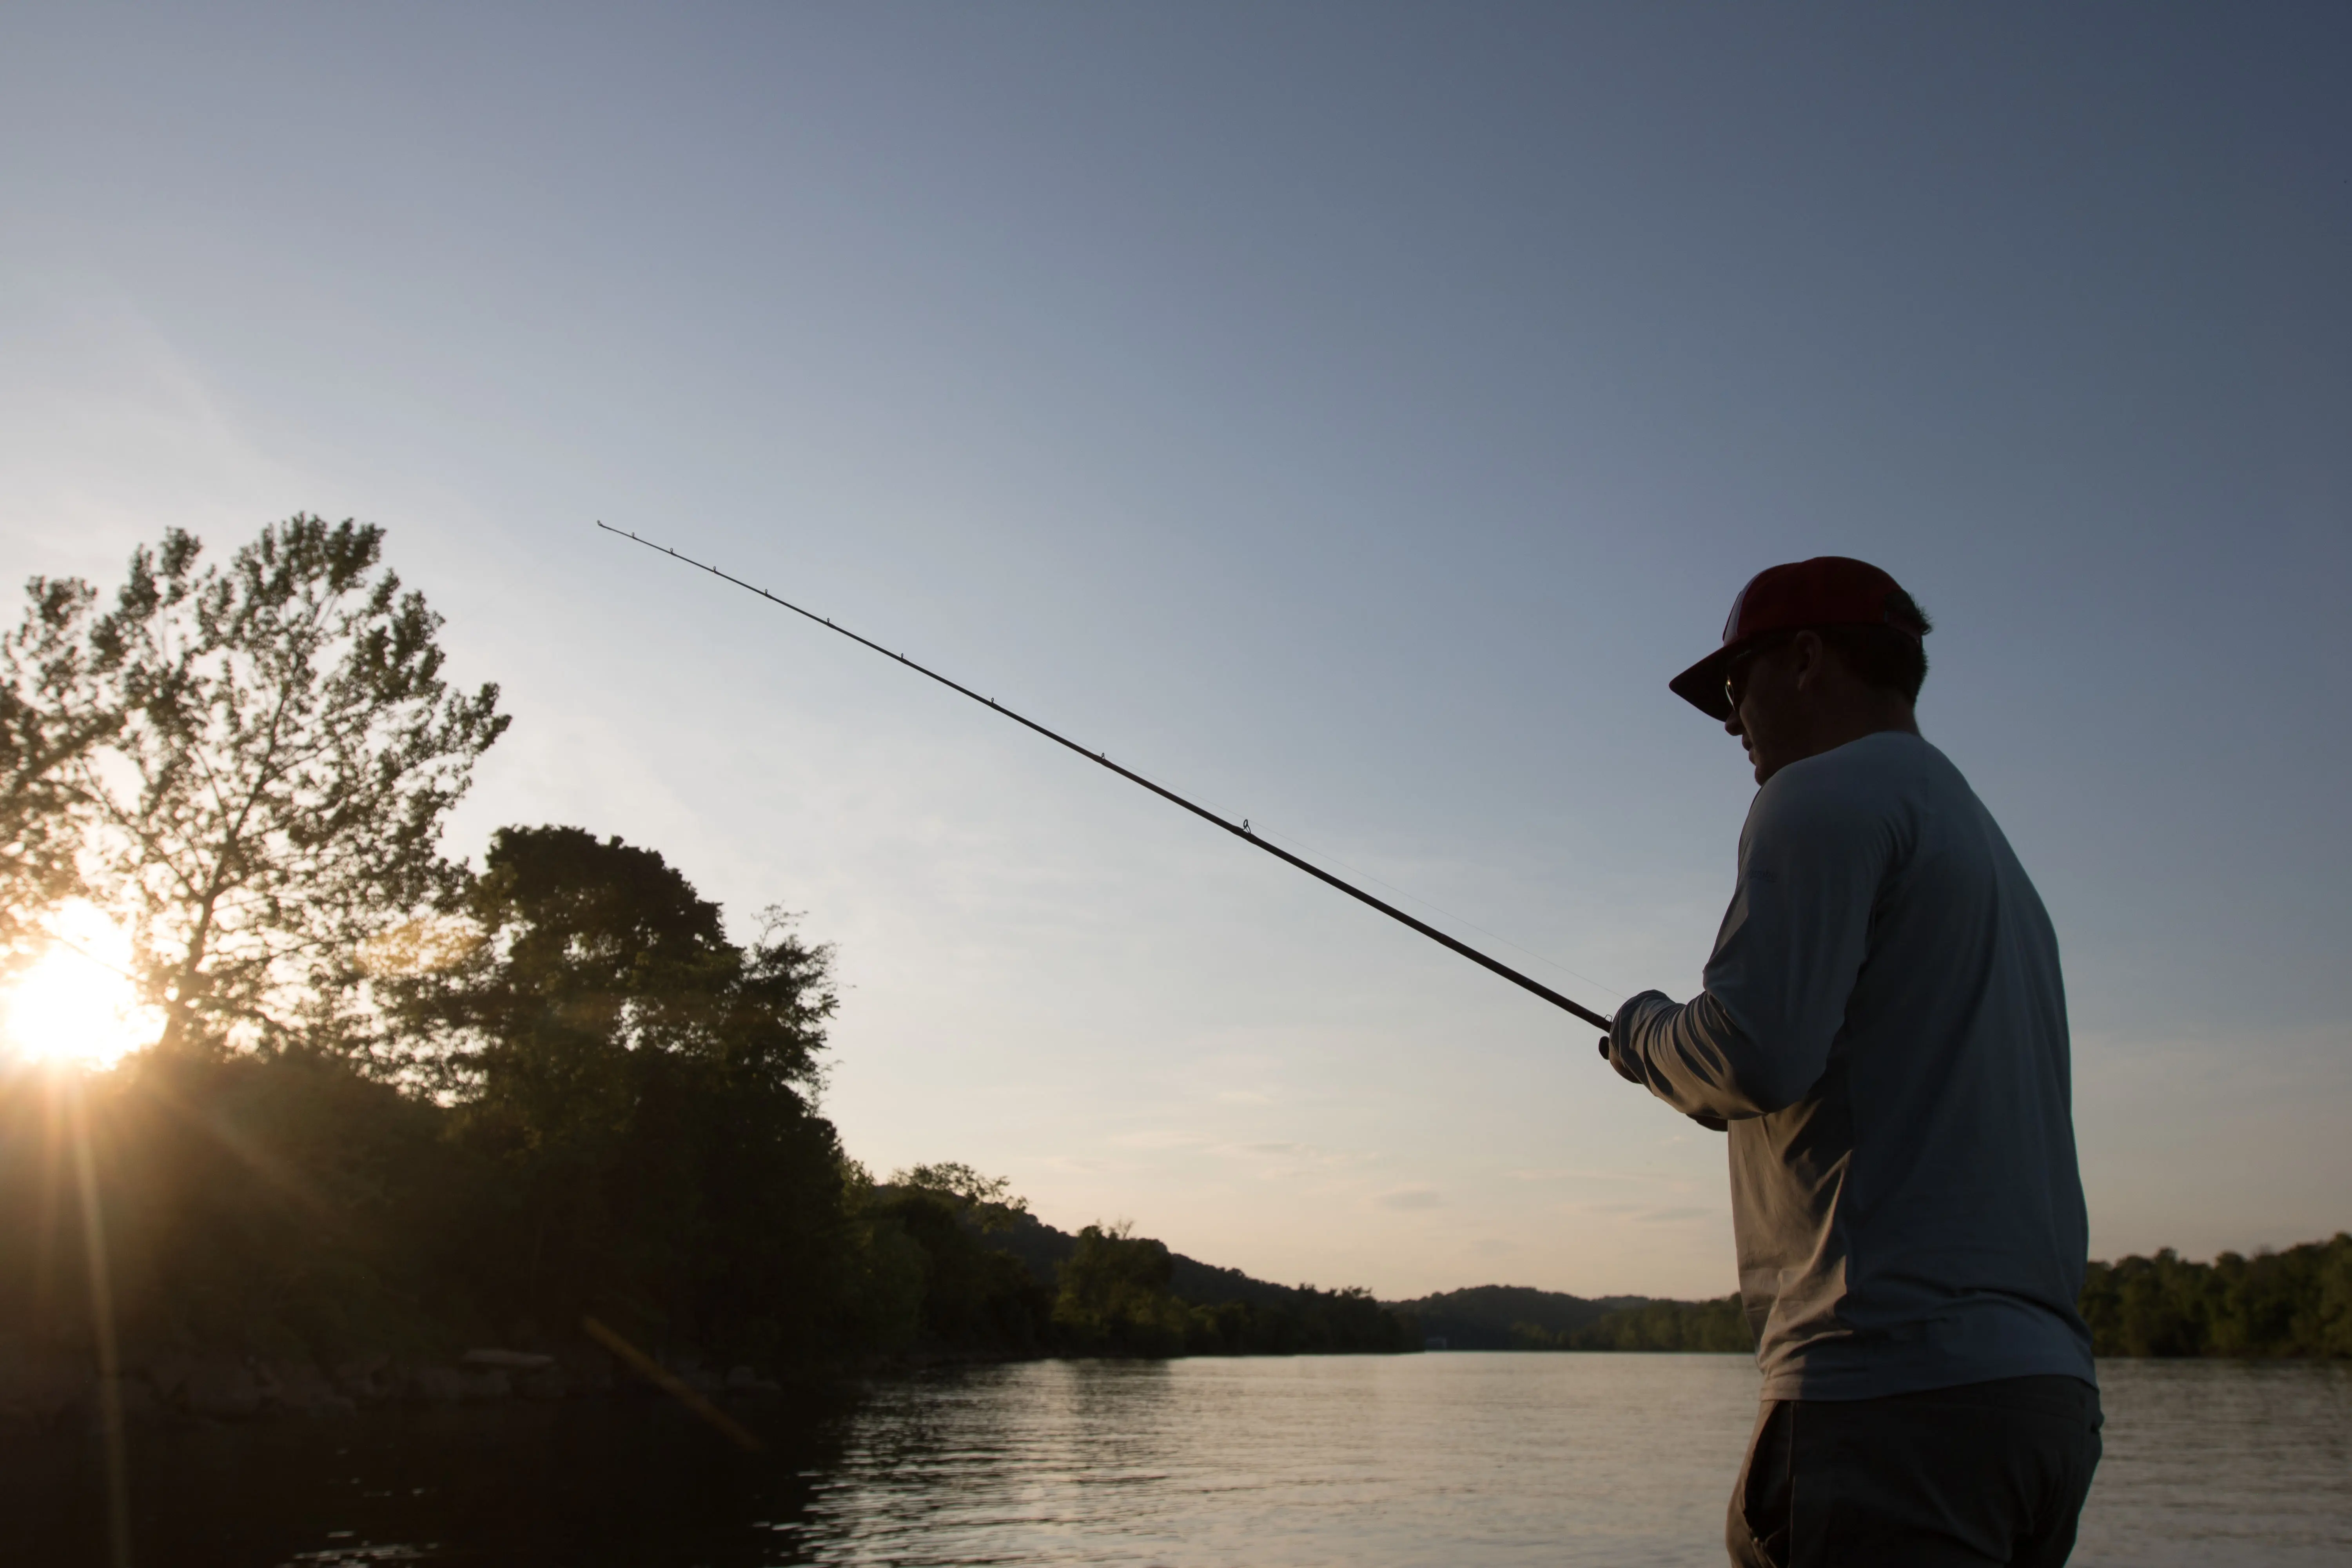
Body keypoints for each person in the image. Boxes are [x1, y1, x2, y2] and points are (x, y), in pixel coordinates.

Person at [1601, 557, 2102, 1567]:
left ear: (1806, 659)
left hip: (1889, 1394)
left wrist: (1646, 1034)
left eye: (1734, 690)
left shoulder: (1817, 799)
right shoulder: (1990, 854)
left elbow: (1753, 1050)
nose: (1732, 723)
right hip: (2043, 1406)